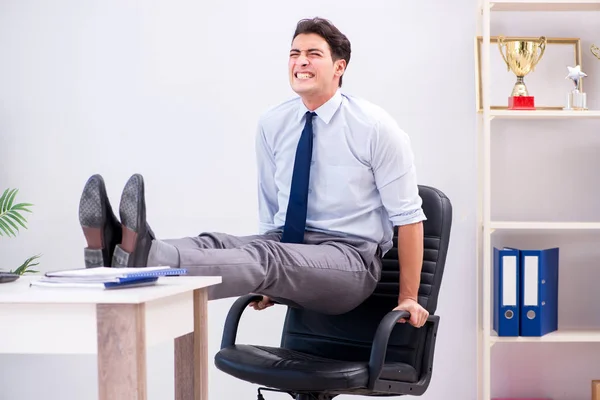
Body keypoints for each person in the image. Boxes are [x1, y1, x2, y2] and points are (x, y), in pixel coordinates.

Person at [77, 17, 429, 327]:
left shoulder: (375, 127)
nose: (301, 61)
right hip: (289, 245)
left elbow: (409, 217)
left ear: (339, 67)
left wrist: (409, 297)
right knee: (219, 242)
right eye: (294, 53)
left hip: (351, 261)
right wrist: (268, 283)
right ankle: (120, 249)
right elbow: (271, 205)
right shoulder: (274, 123)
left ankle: (146, 259)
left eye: (313, 54)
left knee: (266, 258)